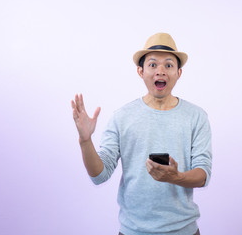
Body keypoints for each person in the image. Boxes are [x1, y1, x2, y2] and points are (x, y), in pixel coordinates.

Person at [71, 33, 212, 235]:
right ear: (140, 71)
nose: (160, 71)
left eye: (169, 65)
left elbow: (203, 174)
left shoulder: (197, 117)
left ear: (179, 73)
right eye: (153, 65)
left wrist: (176, 177)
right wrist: (85, 141)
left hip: (184, 231)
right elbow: (99, 175)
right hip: (133, 231)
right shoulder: (122, 117)